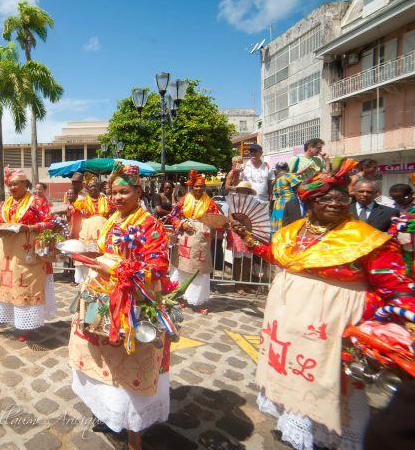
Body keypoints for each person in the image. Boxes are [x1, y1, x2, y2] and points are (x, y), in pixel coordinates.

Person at [230, 158, 414, 450]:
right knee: (295, 381)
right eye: (325, 198)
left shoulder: (369, 240)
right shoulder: (294, 232)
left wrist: (385, 329)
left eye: (341, 198)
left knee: (331, 389)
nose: (335, 203)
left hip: (336, 327)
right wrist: (248, 238)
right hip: (288, 325)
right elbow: (279, 257)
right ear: (310, 202)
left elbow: (397, 290)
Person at [68, 162, 173, 450]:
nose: (117, 198)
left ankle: (133, 436)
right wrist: (87, 253)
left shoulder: (149, 224)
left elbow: (157, 267)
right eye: (113, 192)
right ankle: (108, 413)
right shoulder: (113, 219)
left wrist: (116, 268)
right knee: (100, 360)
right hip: (100, 298)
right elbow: (106, 250)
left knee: (130, 368)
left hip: (132, 303)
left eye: (123, 192)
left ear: (139, 191)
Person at [0, 167, 56, 342]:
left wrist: (30, 228)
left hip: (28, 251)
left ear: (25, 184)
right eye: (10, 185)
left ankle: (24, 325)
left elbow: (50, 223)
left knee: (24, 285)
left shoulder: (37, 202)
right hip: (6, 251)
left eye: (16, 184)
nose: (12, 188)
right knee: (3, 285)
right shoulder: (5, 204)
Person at [168, 171, 222, 314]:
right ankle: (181, 297)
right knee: (182, 268)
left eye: (201, 186)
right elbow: (172, 216)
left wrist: (221, 224)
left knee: (199, 270)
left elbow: (218, 219)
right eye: (197, 186)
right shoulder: (184, 200)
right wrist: (181, 224)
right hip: (184, 238)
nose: (199, 189)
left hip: (201, 240)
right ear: (191, 187)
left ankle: (198, 302)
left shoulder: (210, 202)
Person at [73, 176, 114, 284]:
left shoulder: (106, 201)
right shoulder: (81, 202)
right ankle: (85, 280)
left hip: (103, 228)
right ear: (87, 189)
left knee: (102, 253)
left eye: (95, 186)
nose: (93, 188)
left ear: (99, 188)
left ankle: (103, 276)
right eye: (91, 186)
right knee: (86, 252)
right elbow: (74, 215)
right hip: (87, 230)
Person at [271, 162, 310, 233]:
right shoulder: (288, 176)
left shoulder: (275, 181)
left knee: (278, 229)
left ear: (277, 169)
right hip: (290, 205)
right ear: (287, 168)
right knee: (292, 228)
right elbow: (301, 188)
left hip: (278, 206)